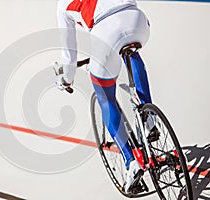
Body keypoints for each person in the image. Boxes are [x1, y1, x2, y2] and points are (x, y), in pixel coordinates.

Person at [54, 0, 152, 193]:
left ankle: (131, 162)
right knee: (131, 52)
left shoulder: (63, 5)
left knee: (105, 98)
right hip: (137, 20)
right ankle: (149, 118)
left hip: (105, 34)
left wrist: (66, 79)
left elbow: (69, 55)